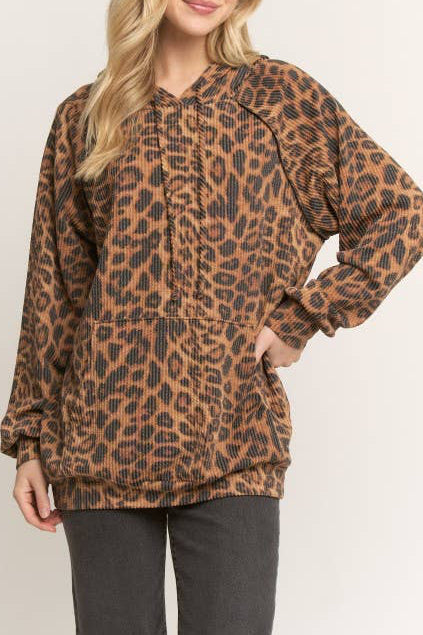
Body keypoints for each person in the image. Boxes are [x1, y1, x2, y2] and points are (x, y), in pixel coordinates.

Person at [1, 0, 422, 633]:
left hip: (235, 441)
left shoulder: (282, 100)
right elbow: (55, 293)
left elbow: (401, 212)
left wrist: (305, 316)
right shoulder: (85, 117)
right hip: (99, 450)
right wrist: (30, 442)